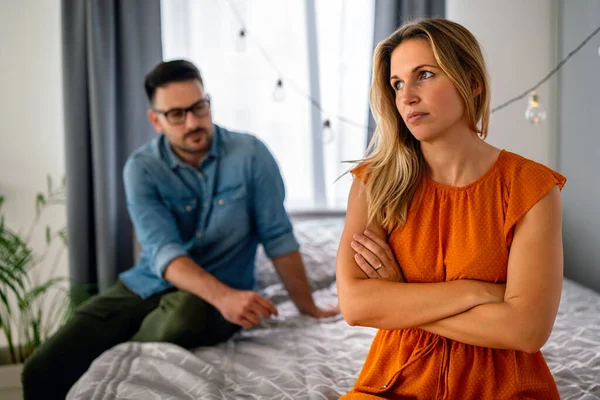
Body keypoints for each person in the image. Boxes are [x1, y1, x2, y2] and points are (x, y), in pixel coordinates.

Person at [22, 59, 338, 399]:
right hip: (146, 285)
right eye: (176, 114)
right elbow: (163, 252)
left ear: (208, 103)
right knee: (41, 368)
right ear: (155, 120)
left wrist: (309, 307)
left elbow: (278, 237)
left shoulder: (251, 155)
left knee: (182, 316)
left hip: (216, 298)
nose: (192, 122)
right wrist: (226, 298)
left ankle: (116, 353)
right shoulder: (141, 168)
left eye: (199, 108)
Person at [336, 18, 565, 399]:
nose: (407, 96)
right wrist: (480, 292)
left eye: (424, 74)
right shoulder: (373, 183)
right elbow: (357, 305)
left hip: (504, 389)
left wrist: (400, 296)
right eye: (397, 84)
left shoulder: (531, 187)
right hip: (394, 384)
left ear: (471, 82)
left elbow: (526, 331)